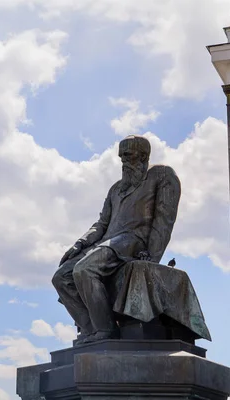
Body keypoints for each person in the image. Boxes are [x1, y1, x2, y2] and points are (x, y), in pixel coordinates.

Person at [52, 134, 181, 344]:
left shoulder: (161, 176)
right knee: (61, 277)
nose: (123, 160)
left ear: (143, 156)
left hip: (133, 241)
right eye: (121, 156)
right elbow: (101, 223)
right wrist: (80, 243)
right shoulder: (116, 189)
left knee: (85, 269)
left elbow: (164, 219)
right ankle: (90, 329)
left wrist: (153, 255)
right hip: (105, 242)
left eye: (128, 155)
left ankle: (106, 330)